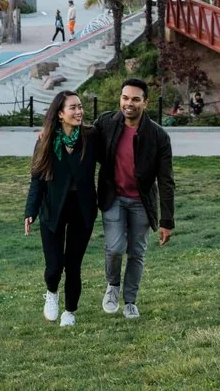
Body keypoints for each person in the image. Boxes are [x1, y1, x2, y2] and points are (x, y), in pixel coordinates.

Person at [93, 78, 176, 320]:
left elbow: (166, 180)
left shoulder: (158, 136)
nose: (129, 103)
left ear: (145, 103)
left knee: (136, 252)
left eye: (135, 99)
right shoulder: (106, 123)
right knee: (114, 248)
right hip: (113, 198)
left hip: (141, 201)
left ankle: (130, 301)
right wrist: (52, 132)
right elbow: (82, 140)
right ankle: (112, 286)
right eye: (125, 98)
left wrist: (167, 221)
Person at [24, 90, 99, 327]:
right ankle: (51, 292)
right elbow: (37, 179)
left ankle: (70, 311)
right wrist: (30, 211)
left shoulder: (91, 137)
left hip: (82, 209)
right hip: (52, 208)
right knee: (54, 266)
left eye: (80, 106)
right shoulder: (46, 141)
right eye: (73, 108)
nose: (79, 111)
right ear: (59, 114)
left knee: (73, 264)